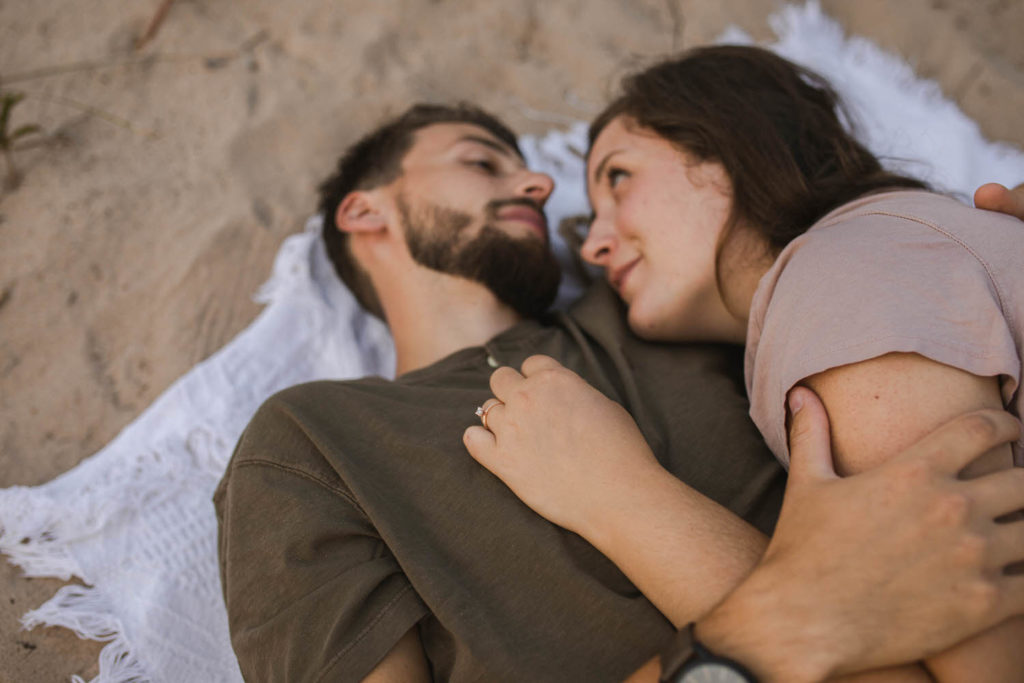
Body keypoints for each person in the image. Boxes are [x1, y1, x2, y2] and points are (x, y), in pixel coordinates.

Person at [214, 102, 1024, 683]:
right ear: (365, 211)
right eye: (480, 161)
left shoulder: (663, 310)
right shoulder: (314, 441)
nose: (535, 182)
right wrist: (773, 626)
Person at [463, 46, 1024, 681]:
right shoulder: (865, 266)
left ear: (731, 138)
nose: (593, 245)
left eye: (618, 177)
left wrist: (617, 492)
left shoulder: (837, 272)